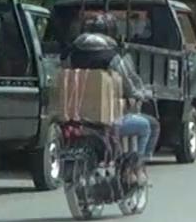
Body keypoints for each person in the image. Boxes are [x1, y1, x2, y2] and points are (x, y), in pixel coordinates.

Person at [65, 13, 160, 166]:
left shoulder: (71, 54)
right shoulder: (110, 56)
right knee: (149, 125)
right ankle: (136, 168)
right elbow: (126, 82)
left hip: (73, 116)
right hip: (107, 119)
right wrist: (138, 94)